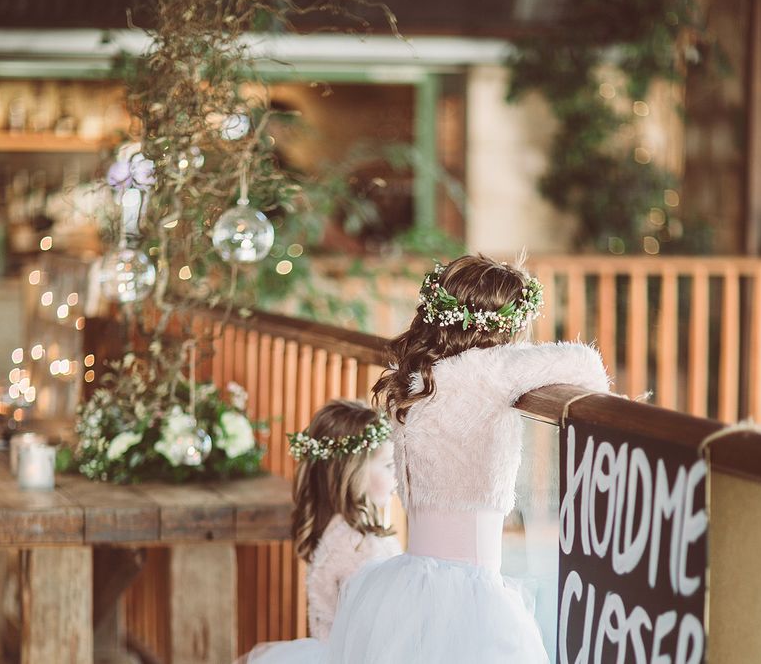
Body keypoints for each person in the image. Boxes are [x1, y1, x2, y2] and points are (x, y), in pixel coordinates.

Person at [325, 254, 611, 663]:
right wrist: (518, 356)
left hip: (410, 578)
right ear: (501, 324)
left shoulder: (418, 374)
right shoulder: (493, 369)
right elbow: (587, 366)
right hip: (472, 587)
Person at [238, 399, 401, 664]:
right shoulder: (358, 545)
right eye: (388, 466)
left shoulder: (340, 530)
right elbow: (379, 628)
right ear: (352, 471)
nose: (397, 476)